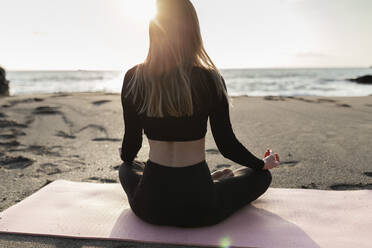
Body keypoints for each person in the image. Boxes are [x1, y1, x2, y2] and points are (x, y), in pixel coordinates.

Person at [119, 0, 280, 228]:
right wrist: (261, 164)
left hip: (149, 206)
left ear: (153, 29)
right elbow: (227, 145)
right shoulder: (210, 79)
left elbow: (130, 150)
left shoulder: (134, 77)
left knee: (126, 168)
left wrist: (125, 155)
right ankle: (214, 182)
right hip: (200, 208)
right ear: (192, 30)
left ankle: (213, 180)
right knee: (261, 176)